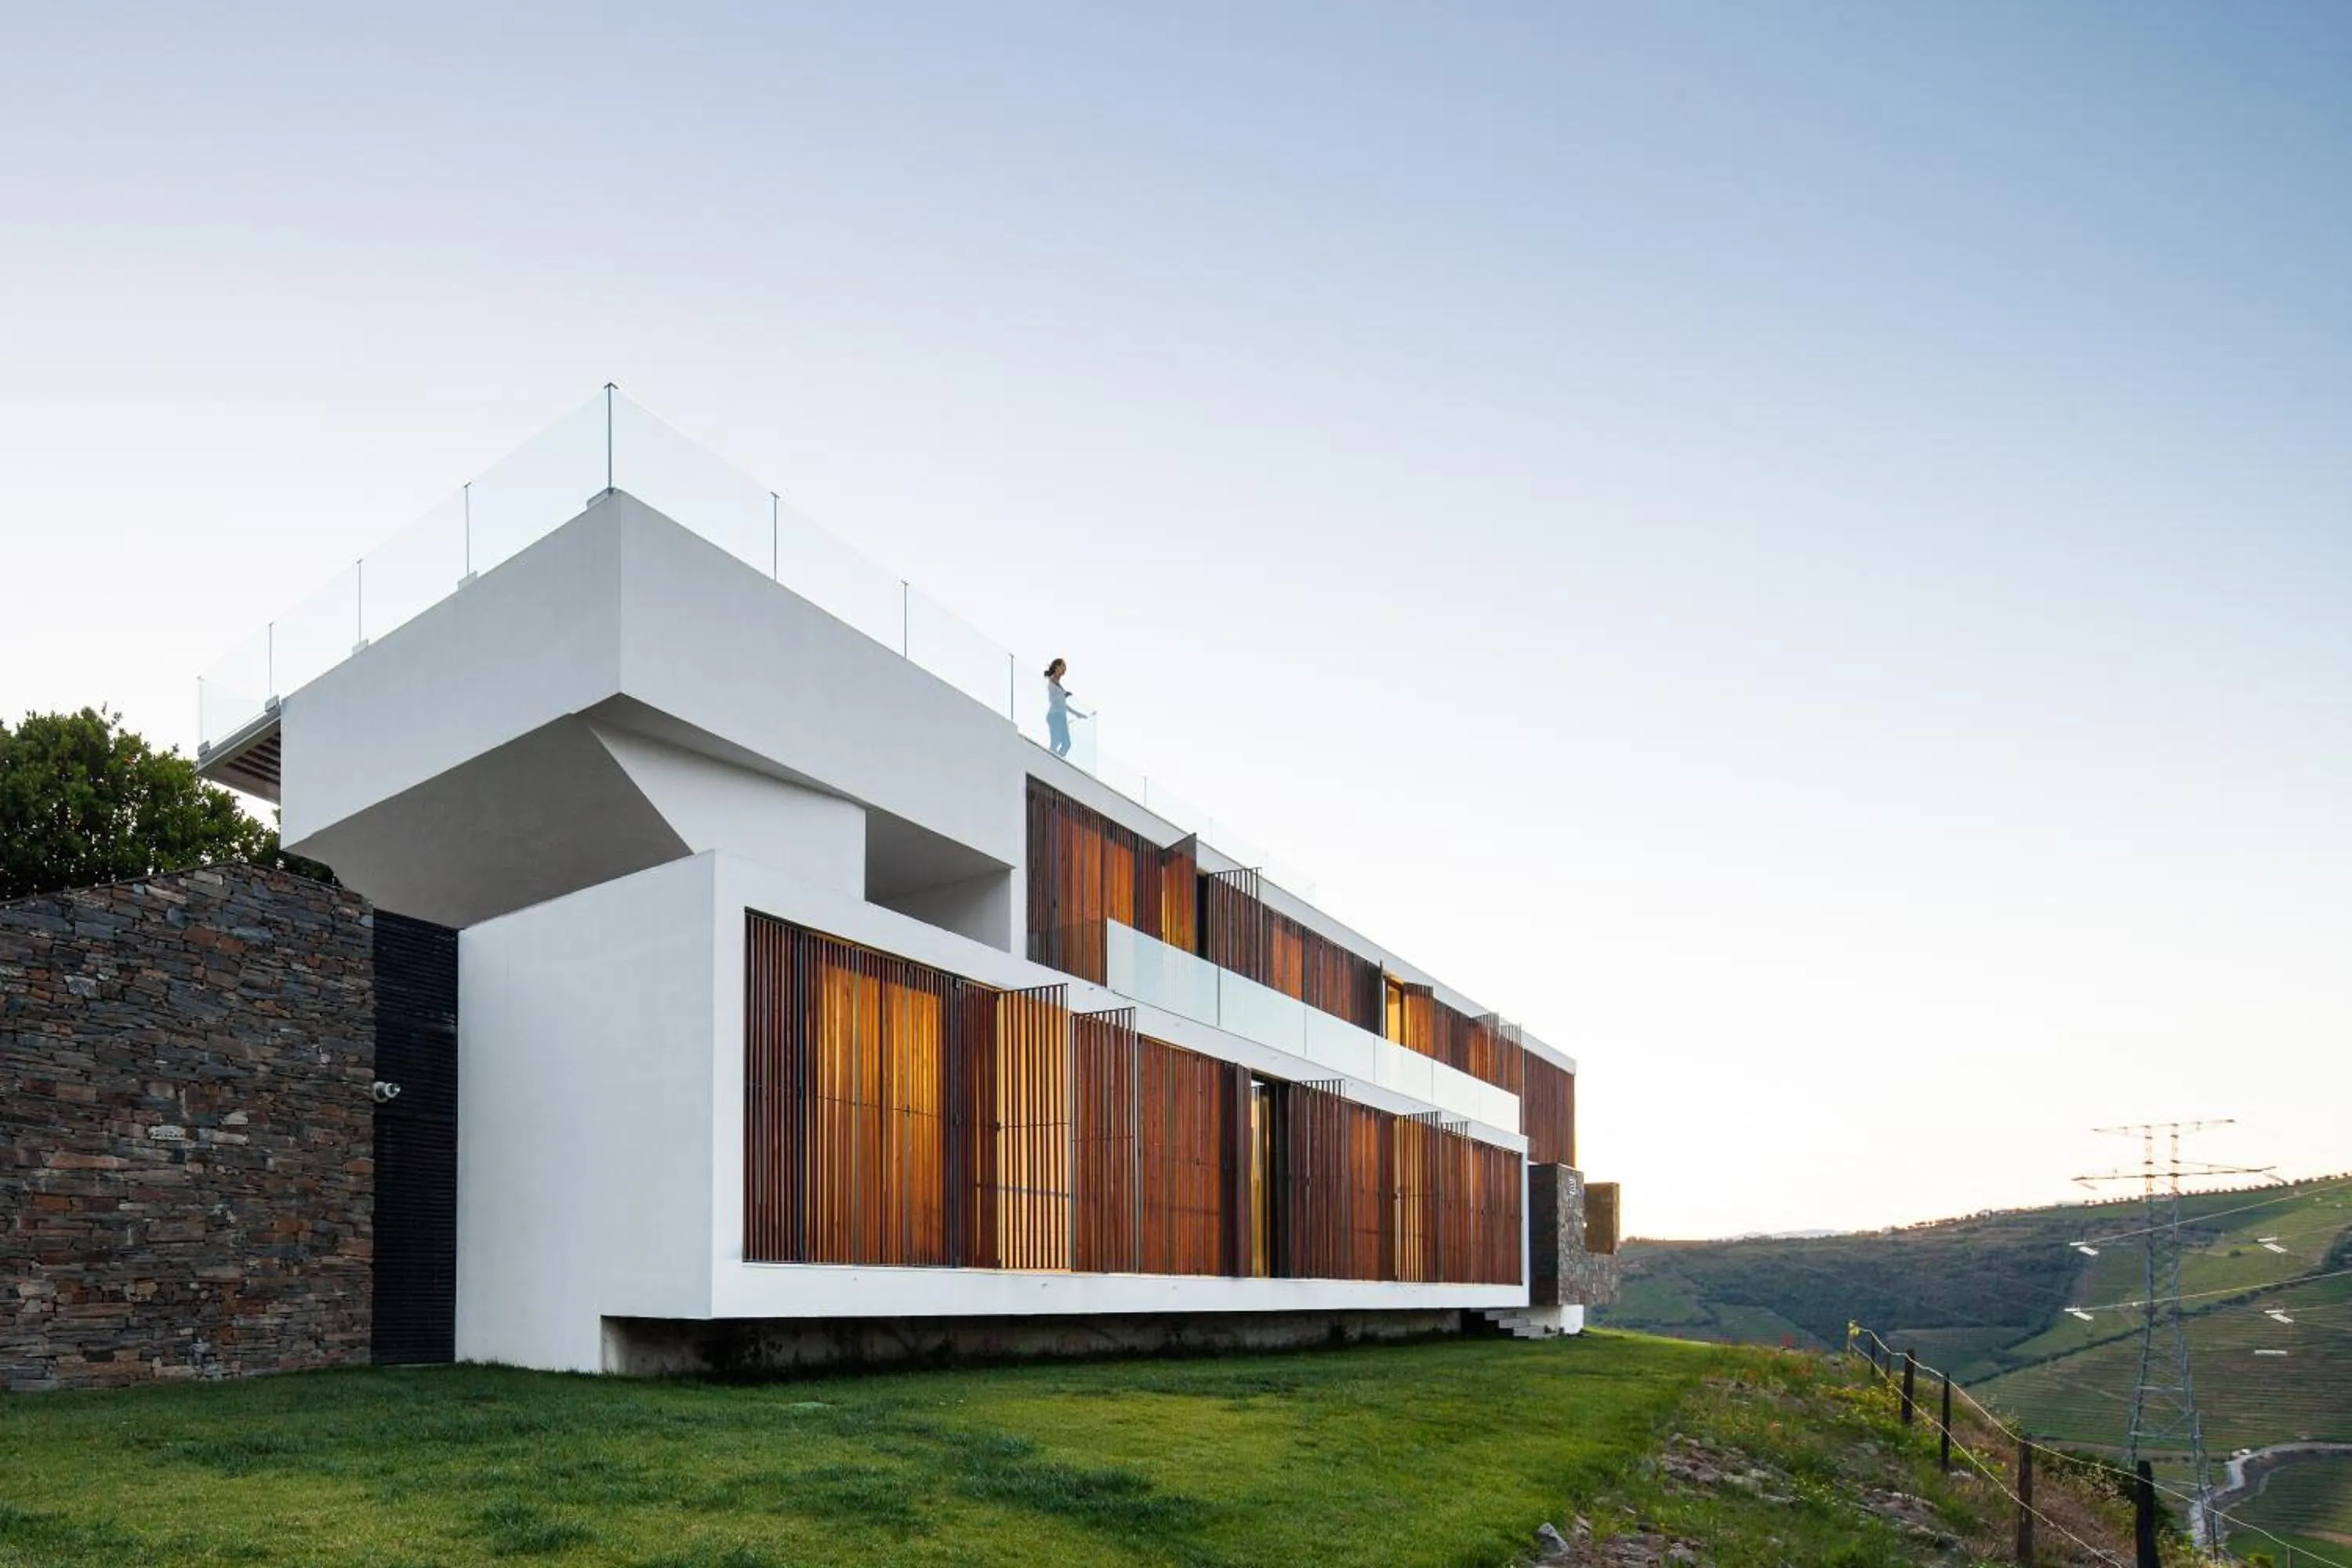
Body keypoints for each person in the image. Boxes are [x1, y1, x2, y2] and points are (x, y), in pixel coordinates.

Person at [1044, 657, 1086, 758]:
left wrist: (1078, 714)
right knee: (1056, 742)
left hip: (1062, 717)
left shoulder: (1059, 686)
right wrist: (1063, 695)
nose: (1065, 668)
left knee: (1066, 744)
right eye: (1063, 665)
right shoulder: (1052, 681)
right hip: (1054, 716)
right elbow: (1053, 699)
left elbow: (1063, 705)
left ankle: (1057, 761)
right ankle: (1048, 760)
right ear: (1057, 666)